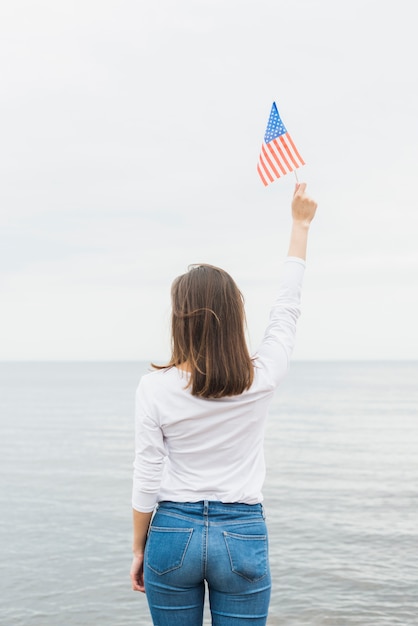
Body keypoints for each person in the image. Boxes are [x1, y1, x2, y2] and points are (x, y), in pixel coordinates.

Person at [130, 182, 317, 625]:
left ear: (180, 321)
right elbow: (287, 308)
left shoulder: (154, 388)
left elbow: (146, 474)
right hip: (242, 532)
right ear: (235, 314)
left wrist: (140, 548)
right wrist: (300, 224)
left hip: (172, 533)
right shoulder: (262, 376)